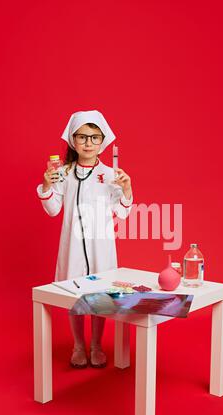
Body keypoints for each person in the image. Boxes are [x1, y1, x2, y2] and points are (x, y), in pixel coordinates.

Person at [36, 110, 133, 368]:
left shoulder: (111, 174)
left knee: (100, 297)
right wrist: (46, 186)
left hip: (101, 246)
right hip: (73, 247)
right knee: (75, 297)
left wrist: (126, 188)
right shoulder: (64, 172)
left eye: (94, 137)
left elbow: (122, 211)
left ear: (103, 141)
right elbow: (53, 209)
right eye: (82, 137)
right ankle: (79, 344)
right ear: (72, 140)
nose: (88, 143)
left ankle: (96, 344)